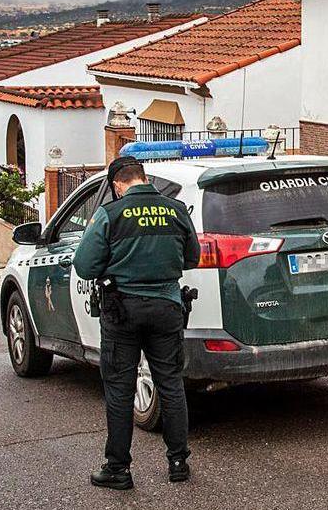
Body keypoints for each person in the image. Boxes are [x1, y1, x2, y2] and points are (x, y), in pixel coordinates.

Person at [72, 155, 200, 491]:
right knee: (170, 384)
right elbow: (192, 257)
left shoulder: (109, 215)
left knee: (120, 389)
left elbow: (84, 266)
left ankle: (118, 469)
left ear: (117, 185)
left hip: (122, 312)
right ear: (143, 178)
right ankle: (178, 463)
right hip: (167, 308)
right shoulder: (176, 210)